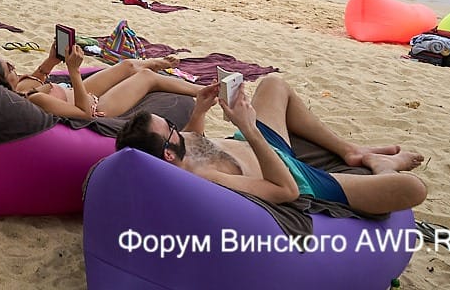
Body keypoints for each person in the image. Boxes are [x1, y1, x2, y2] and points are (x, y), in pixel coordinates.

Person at [117, 74, 427, 215]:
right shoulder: (206, 179)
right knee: (414, 189)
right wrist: (249, 128)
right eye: (170, 129)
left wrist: (200, 109)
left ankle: (350, 150)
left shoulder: (175, 151)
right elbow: (286, 191)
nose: (177, 129)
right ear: (168, 155)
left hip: (256, 143)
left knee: (275, 85)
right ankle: (383, 167)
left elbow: (194, 138)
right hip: (292, 174)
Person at [0, 44, 201, 120]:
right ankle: (201, 91)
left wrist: (51, 60)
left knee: (127, 66)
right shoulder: (34, 100)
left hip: (73, 91)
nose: (15, 67)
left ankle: (153, 62)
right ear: (1, 80)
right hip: (95, 105)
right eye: (10, 69)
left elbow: (38, 76)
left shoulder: (18, 90)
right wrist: (73, 69)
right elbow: (84, 114)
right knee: (145, 78)